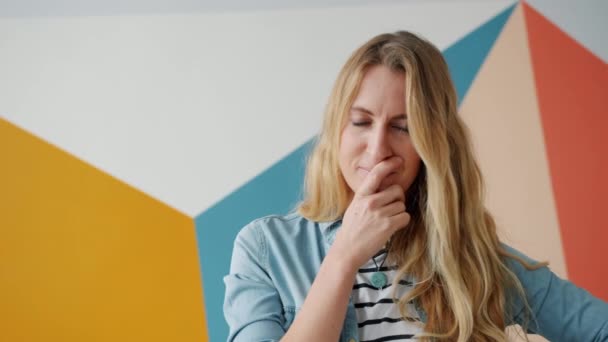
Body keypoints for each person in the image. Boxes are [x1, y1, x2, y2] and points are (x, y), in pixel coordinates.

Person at [223, 31, 608, 342]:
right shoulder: (265, 249)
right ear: (337, 129)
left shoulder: (473, 260)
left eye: (402, 128)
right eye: (360, 122)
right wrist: (342, 259)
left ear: (431, 145)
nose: (377, 148)